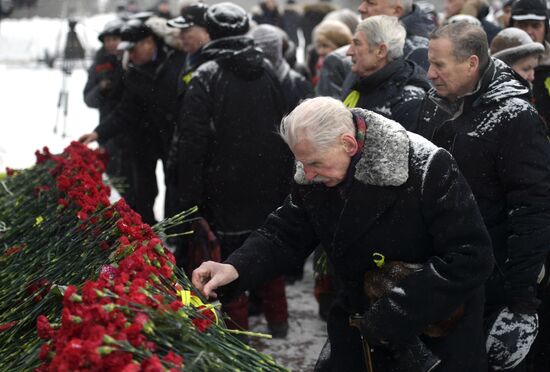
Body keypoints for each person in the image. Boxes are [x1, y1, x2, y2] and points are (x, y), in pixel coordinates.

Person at [192, 96, 494, 371]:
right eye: (301, 163)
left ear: (349, 144)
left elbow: (471, 256)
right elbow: (284, 233)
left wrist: (397, 310)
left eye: (314, 164)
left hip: (432, 334)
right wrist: (235, 268)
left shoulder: (426, 166)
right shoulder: (315, 172)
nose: (306, 175)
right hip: (358, 324)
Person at [415, 21, 550, 371]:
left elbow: (533, 209)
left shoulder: (515, 117)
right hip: (442, 275)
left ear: (471, 63)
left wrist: (521, 300)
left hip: (493, 284)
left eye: (439, 65)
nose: (429, 74)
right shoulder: (432, 106)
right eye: (429, 63)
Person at [175, 2, 293, 337]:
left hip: (223, 186)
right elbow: (286, 128)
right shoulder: (269, 70)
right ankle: (278, 322)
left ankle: (238, 335)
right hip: (267, 183)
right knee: (267, 249)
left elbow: (192, 144)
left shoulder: (206, 76)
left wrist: (190, 199)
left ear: (210, 33)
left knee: (228, 262)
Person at [79, 19, 186, 225]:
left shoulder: (177, 62)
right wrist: (98, 133)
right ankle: (148, 229)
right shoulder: (132, 69)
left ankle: (175, 233)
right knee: (144, 189)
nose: (130, 54)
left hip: (173, 138)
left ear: (149, 42)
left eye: (133, 48)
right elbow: (125, 110)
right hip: (142, 139)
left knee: (174, 187)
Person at [318, 0, 433, 99]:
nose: (361, 8)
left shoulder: (422, 51)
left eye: (371, 3)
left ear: (396, 11)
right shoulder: (340, 60)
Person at [343, 15, 430, 130]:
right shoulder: (359, 81)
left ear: (381, 51)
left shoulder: (408, 99)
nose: (349, 52)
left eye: (357, 44)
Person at [83, 19, 130, 197]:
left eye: (115, 38)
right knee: (116, 185)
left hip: (133, 137)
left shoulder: (131, 60)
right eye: (107, 40)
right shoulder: (99, 66)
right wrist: (101, 89)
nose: (111, 43)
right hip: (108, 134)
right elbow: (88, 99)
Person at [510, 0, 550, 125]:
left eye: (535, 25)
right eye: (522, 25)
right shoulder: (494, 63)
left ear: (546, 28)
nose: (529, 31)